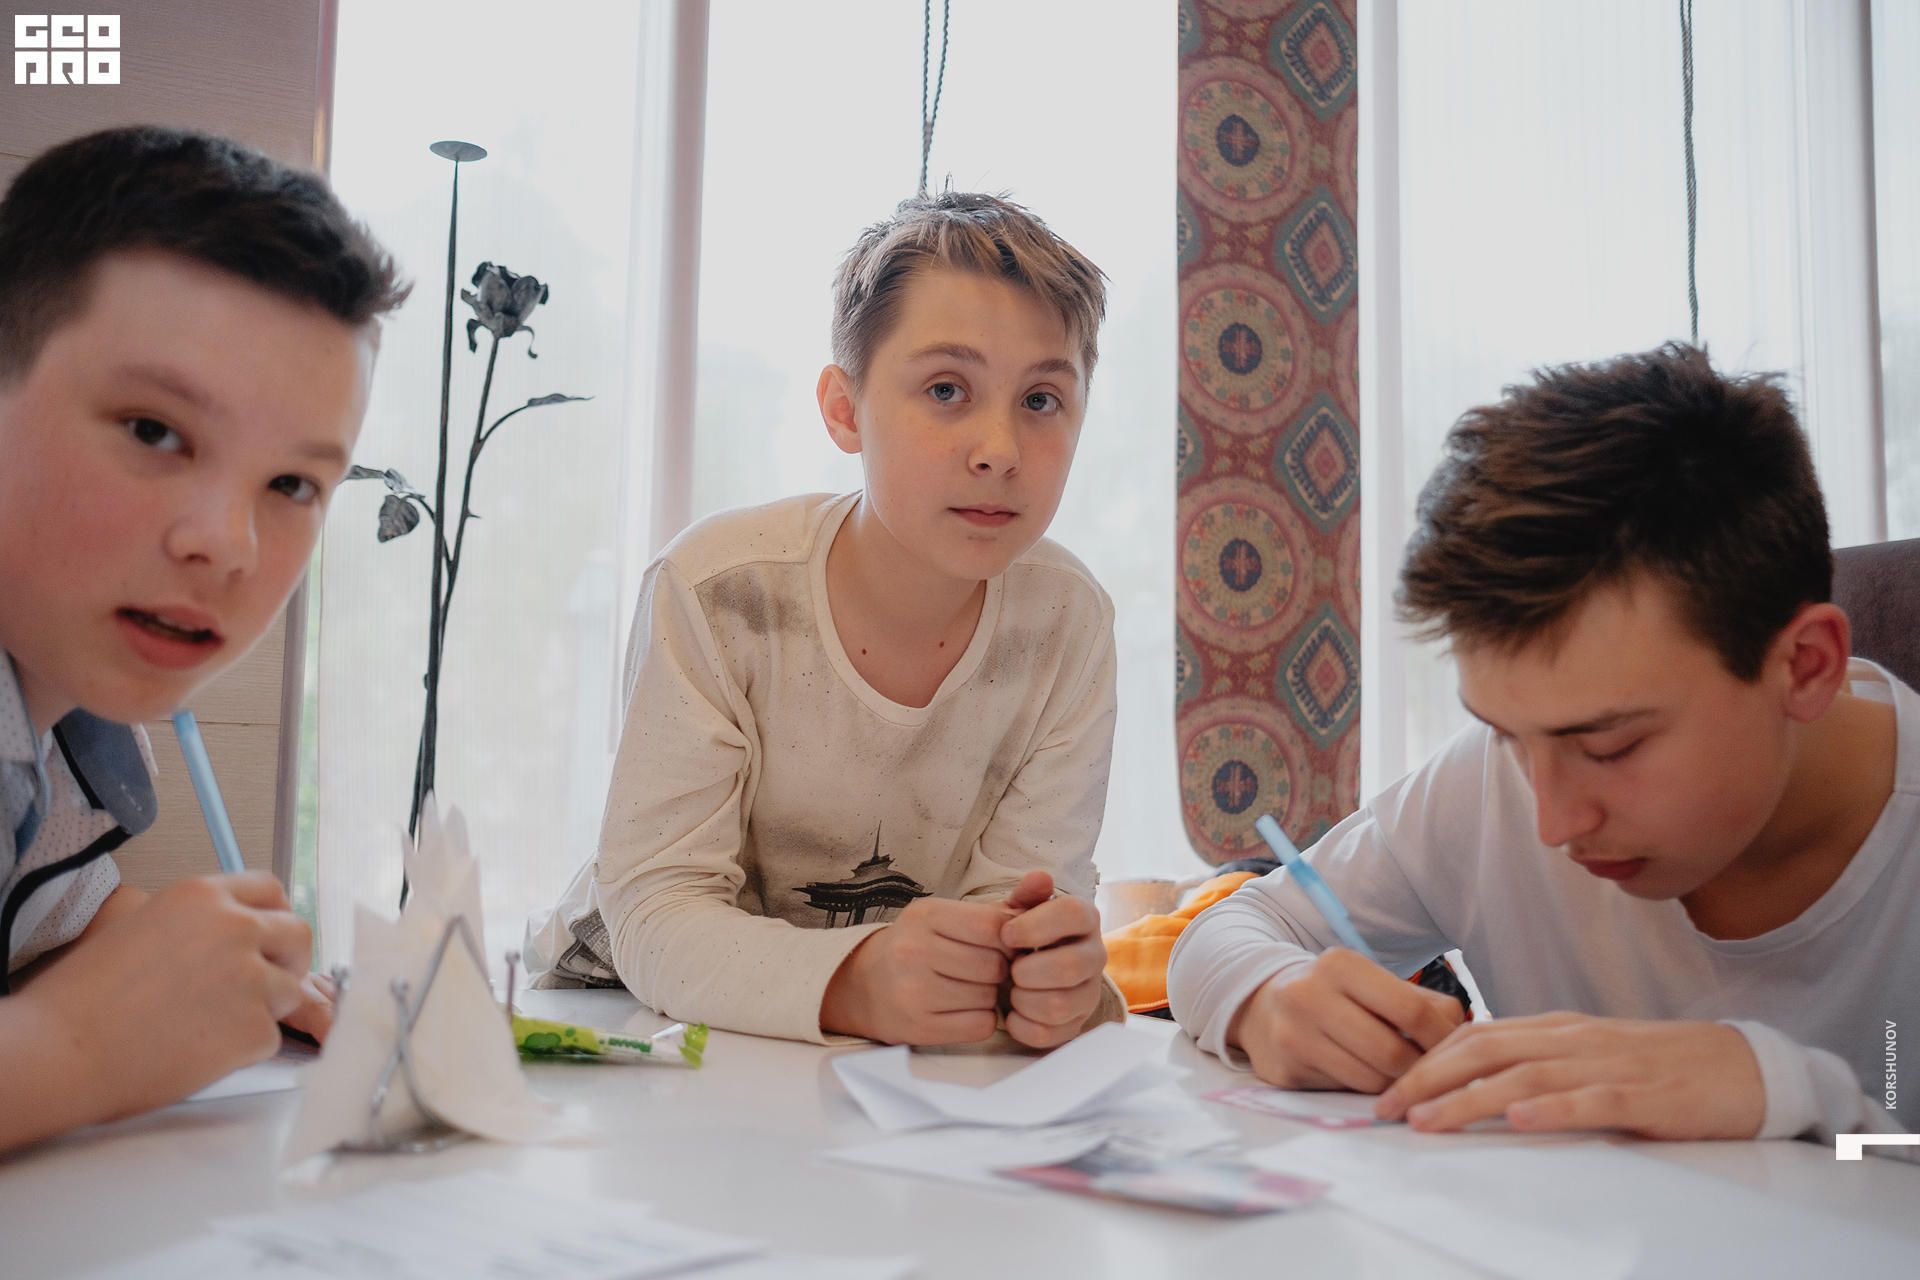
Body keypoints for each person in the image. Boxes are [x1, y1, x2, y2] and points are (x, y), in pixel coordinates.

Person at [1169, 343, 1916, 1148]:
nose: (1552, 824)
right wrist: (1269, 997)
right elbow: (1230, 929)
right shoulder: (1497, 781)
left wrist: (1796, 1094)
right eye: (1506, 733)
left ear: (1805, 667)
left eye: (1611, 747)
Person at [526, 192, 1122, 1047]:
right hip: (632, 1021)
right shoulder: (718, 592)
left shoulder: (1069, 623)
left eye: (1041, 400)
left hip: (891, 1063)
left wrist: (1039, 973)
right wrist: (854, 980)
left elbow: (1021, 906)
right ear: (845, 410)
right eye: (946, 389)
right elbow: (656, 906)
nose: (999, 449)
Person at [0, 127, 406, 1152]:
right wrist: (76, 1046)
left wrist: (178, 962)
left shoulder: (69, 725)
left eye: (292, 484)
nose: (227, 544)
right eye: (154, 430)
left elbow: (44, 915)